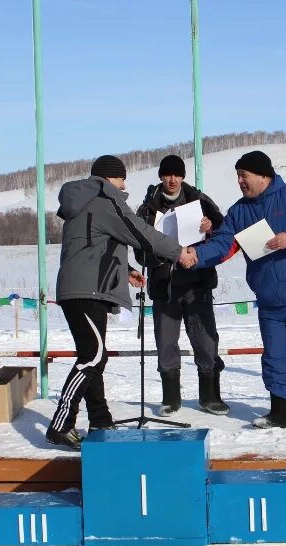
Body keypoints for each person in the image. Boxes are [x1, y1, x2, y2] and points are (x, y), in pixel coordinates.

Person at [184, 150, 286, 432]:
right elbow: (223, 245)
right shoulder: (238, 212)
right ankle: (280, 414)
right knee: (276, 357)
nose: (240, 181)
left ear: (264, 175)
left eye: (244, 175)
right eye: (238, 177)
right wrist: (196, 255)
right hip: (269, 301)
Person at [46, 155, 193, 450]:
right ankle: (61, 423)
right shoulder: (105, 200)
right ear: (111, 178)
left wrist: (124, 271)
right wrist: (178, 252)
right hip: (87, 291)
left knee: (94, 356)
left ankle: (100, 419)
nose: (125, 185)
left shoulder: (83, 202)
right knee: (93, 357)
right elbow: (141, 232)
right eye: (123, 179)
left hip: (82, 288)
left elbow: (92, 246)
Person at [134, 155, 229, 417]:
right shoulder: (148, 208)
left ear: (184, 176)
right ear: (161, 177)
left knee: (205, 340)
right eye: (168, 175)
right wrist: (163, 254)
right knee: (166, 342)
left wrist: (210, 228)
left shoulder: (201, 201)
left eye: (177, 175)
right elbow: (139, 253)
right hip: (165, 286)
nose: (173, 180)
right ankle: (170, 398)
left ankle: (210, 397)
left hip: (198, 283)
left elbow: (223, 233)